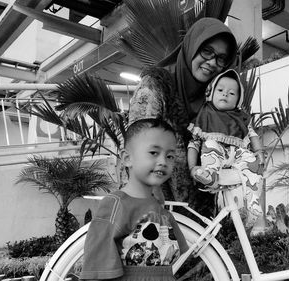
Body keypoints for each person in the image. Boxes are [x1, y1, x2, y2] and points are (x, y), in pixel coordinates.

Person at [128, 17, 238, 216]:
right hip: (157, 211)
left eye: (221, 58)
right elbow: (139, 145)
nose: (212, 62)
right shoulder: (156, 86)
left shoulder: (214, 100)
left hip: (199, 218)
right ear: (192, 46)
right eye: (207, 51)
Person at [80, 119, 188, 281]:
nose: (163, 161)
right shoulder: (115, 205)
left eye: (170, 155)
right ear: (127, 158)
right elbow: (97, 267)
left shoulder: (162, 211)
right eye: (153, 153)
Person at [187, 69, 264, 226]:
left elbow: (252, 134)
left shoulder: (241, 117)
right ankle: (210, 176)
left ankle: (253, 205)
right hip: (217, 155)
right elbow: (194, 143)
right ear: (212, 93)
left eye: (231, 93)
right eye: (220, 90)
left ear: (238, 99)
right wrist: (192, 167)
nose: (225, 95)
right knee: (209, 144)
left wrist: (259, 153)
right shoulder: (204, 114)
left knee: (250, 160)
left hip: (237, 154)